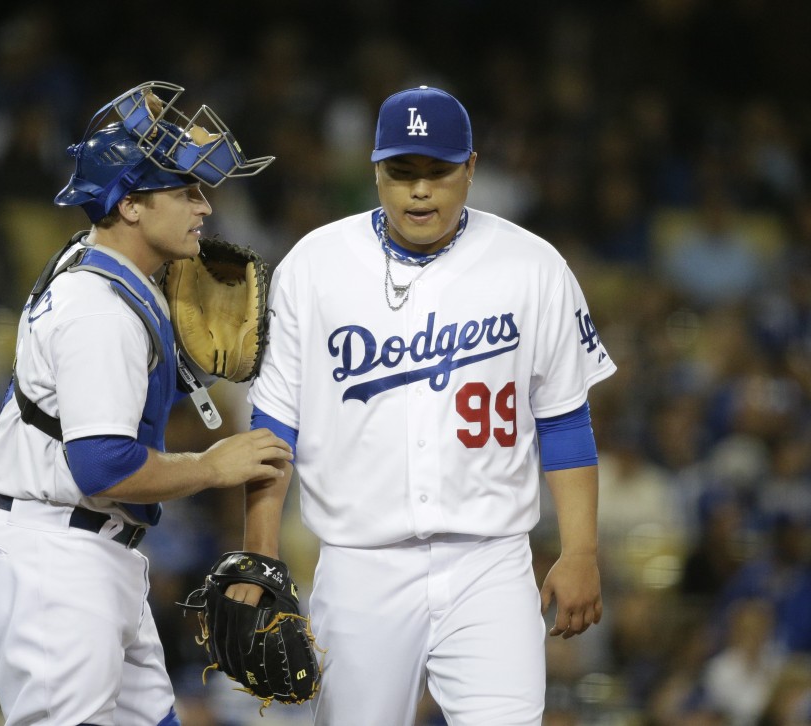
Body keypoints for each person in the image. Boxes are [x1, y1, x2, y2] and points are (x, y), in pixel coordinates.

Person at [234, 85, 617, 724]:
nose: (419, 190)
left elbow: (565, 419)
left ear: (470, 168)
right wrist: (260, 553)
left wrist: (580, 550)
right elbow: (274, 424)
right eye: (401, 172)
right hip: (361, 567)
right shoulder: (315, 265)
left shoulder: (533, 267)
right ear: (374, 171)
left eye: (437, 171)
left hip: (489, 563)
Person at [0, 81, 293, 726]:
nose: (204, 207)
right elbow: (105, 466)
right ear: (131, 205)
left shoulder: (99, 271)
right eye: (185, 192)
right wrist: (212, 465)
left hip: (86, 550)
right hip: (56, 559)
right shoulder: (101, 312)